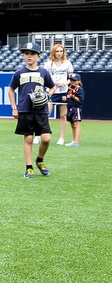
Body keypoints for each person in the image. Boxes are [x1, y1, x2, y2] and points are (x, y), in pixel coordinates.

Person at [7, 41, 55, 179]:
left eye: (32, 54)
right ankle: (29, 168)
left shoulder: (43, 72)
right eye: (27, 53)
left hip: (41, 110)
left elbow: (52, 87)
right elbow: (11, 90)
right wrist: (14, 107)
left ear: (38, 56)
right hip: (25, 110)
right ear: (23, 56)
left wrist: (47, 95)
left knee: (46, 139)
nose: (29, 56)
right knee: (28, 139)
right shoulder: (19, 73)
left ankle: (39, 160)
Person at [43, 43, 74, 145]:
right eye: (57, 51)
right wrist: (53, 83)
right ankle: (41, 134)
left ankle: (61, 138)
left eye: (61, 51)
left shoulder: (67, 63)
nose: (59, 53)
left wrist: (66, 82)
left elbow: (71, 77)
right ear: (53, 52)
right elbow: (44, 77)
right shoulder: (48, 64)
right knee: (46, 114)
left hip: (63, 91)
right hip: (52, 91)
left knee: (63, 115)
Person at [65, 73, 84, 147]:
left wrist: (73, 96)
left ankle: (76, 142)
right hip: (70, 108)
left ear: (78, 81)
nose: (72, 82)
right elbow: (68, 97)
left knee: (76, 124)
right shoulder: (70, 88)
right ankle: (73, 141)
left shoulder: (79, 89)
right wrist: (65, 99)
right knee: (72, 125)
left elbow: (81, 100)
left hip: (76, 108)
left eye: (74, 81)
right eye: (71, 80)